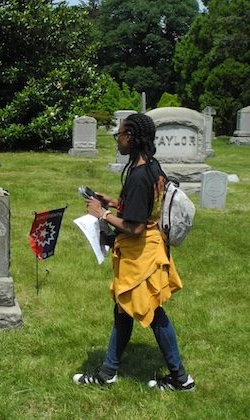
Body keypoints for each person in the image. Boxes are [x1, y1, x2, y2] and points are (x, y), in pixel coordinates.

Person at [73, 113, 195, 391]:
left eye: (121, 134)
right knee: (124, 310)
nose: (118, 139)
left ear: (133, 137)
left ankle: (181, 378)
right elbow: (143, 207)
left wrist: (102, 213)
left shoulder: (140, 175)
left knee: (152, 312)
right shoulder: (151, 166)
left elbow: (136, 226)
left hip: (141, 251)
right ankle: (109, 371)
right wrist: (114, 202)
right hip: (147, 247)